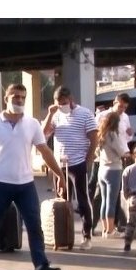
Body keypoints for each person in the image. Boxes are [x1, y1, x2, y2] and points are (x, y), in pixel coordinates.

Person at [0, 82, 68, 270]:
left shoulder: (32, 124)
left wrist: (60, 175)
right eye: (15, 97)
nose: (19, 100)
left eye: (22, 97)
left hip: (25, 184)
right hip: (0, 183)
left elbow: (44, 151)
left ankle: (40, 267)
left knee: (34, 225)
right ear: (6, 99)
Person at [40, 86, 98, 248]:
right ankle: (65, 234)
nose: (61, 106)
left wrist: (89, 159)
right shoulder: (55, 115)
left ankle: (87, 236)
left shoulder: (84, 113)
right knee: (63, 200)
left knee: (82, 199)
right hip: (60, 165)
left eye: (64, 103)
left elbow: (94, 138)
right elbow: (42, 135)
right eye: (58, 103)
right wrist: (51, 113)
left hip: (78, 162)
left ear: (70, 99)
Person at [94, 109, 129, 238]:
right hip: (113, 169)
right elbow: (121, 151)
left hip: (102, 169)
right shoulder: (113, 135)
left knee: (104, 200)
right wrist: (127, 154)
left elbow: (96, 152)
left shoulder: (101, 135)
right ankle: (110, 230)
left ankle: (104, 229)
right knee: (112, 201)